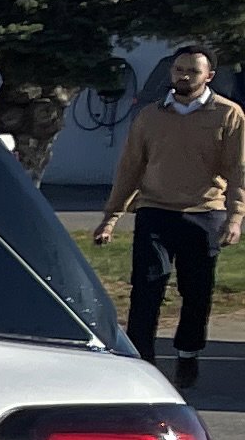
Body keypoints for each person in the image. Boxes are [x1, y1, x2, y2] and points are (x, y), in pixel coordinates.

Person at [99, 46, 245, 389]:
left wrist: (235, 217)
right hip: (155, 211)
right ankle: (141, 362)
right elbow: (130, 168)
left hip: (204, 214)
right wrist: (111, 216)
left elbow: (239, 171)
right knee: (146, 289)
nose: (183, 76)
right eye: (179, 69)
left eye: (192, 71)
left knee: (196, 292)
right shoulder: (151, 115)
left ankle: (188, 354)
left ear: (208, 76)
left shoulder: (228, 115)